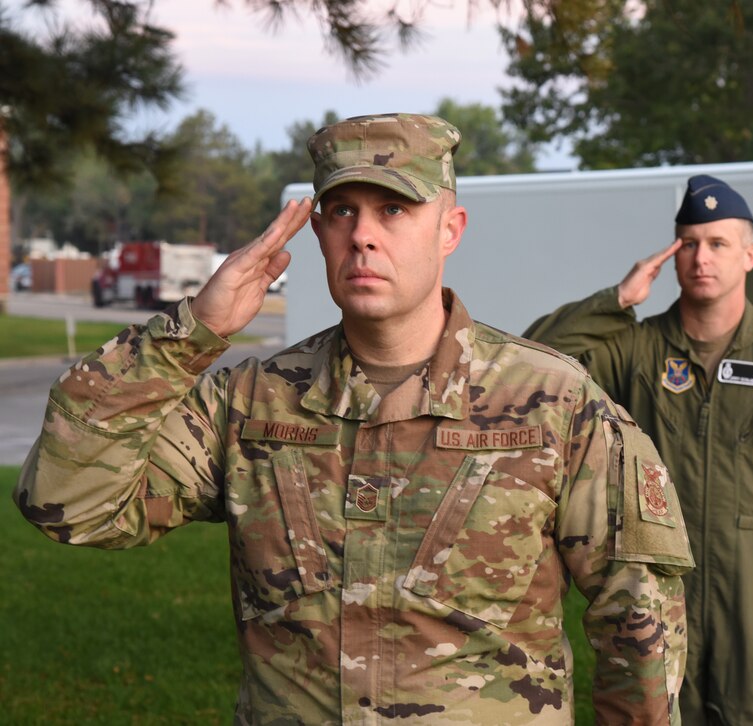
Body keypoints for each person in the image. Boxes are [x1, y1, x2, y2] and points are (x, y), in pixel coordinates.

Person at [14, 113, 695, 724]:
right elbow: (69, 504)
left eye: (394, 210)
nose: (363, 235)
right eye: (342, 211)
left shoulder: (553, 403)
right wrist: (190, 335)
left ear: (450, 229)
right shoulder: (254, 404)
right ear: (317, 231)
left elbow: (638, 619)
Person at [525, 174, 753, 726]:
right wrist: (615, 301)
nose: (701, 258)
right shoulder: (634, 349)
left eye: (718, 244)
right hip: (652, 595)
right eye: (689, 244)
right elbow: (538, 363)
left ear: (751, 255)